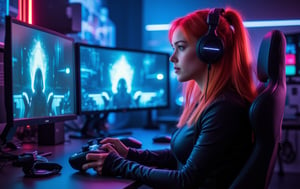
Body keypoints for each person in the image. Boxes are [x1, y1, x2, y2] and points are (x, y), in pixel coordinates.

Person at [82, 7, 258, 189]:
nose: (172, 58)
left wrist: (116, 164)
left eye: (181, 47)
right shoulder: (211, 101)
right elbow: (182, 156)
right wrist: (129, 154)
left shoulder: (225, 108)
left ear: (209, 50)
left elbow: (185, 181)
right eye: (174, 48)